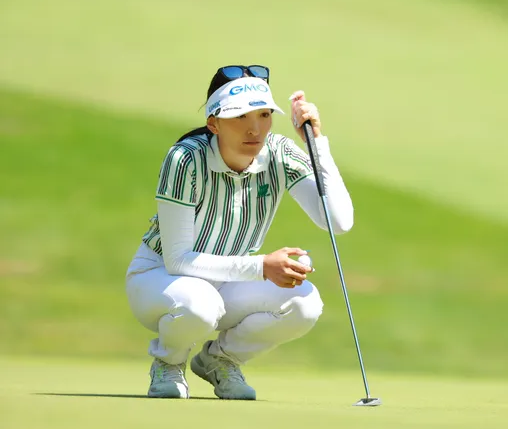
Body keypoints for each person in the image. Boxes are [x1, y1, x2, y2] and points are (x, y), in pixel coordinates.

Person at [124, 65, 354, 400]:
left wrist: (315, 143)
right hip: (160, 278)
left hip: (229, 281)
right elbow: (178, 260)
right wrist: (261, 267)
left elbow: (338, 221)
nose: (254, 129)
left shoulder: (280, 152)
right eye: (240, 117)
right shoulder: (186, 159)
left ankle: (219, 360)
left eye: (264, 115)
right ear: (213, 123)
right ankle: (168, 362)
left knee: (304, 304)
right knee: (199, 304)